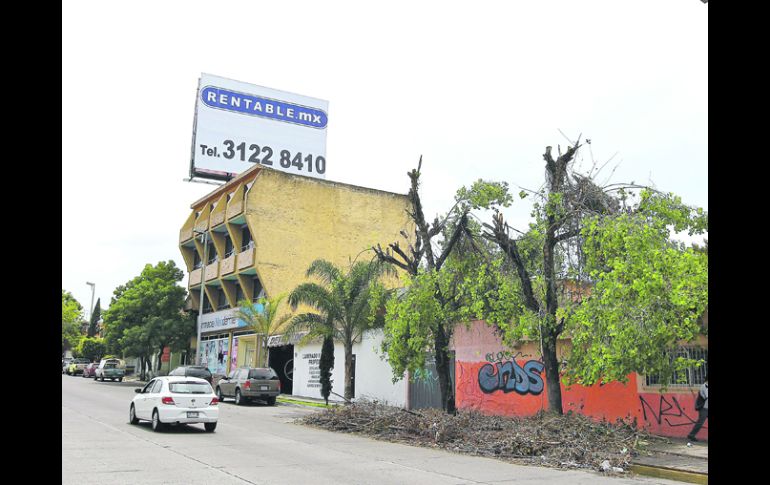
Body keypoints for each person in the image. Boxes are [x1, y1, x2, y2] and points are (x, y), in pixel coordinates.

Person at [687, 376, 708, 442]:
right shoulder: (703, 386)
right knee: (700, 422)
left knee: (700, 422)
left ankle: (691, 434)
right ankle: (691, 435)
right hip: (704, 408)